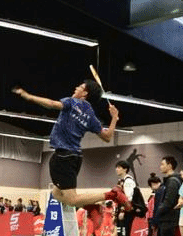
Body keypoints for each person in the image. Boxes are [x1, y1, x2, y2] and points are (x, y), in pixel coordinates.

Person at [12, 81, 129, 210]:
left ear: (85, 93)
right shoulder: (90, 115)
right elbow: (107, 137)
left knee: (72, 200)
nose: (76, 88)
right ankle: (92, 206)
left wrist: (28, 96)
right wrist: (114, 118)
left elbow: (52, 104)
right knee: (56, 194)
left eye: (80, 87)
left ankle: (112, 195)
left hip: (63, 156)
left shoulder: (72, 102)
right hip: (75, 157)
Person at [154, 156, 181, 236]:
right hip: (164, 217)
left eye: (162, 164)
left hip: (170, 216)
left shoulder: (173, 181)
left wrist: (159, 211)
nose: (160, 166)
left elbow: (169, 201)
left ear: (170, 165)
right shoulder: (167, 181)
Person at [112, 161, 137, 236]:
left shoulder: (128, 181)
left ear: (125, 169)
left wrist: (122, 211)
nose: (117, 169)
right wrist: (115, 213)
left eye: (119, 167)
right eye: (116, 167)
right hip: (120, 211)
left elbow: (128, 198)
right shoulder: (121, 181)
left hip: (126, 212)